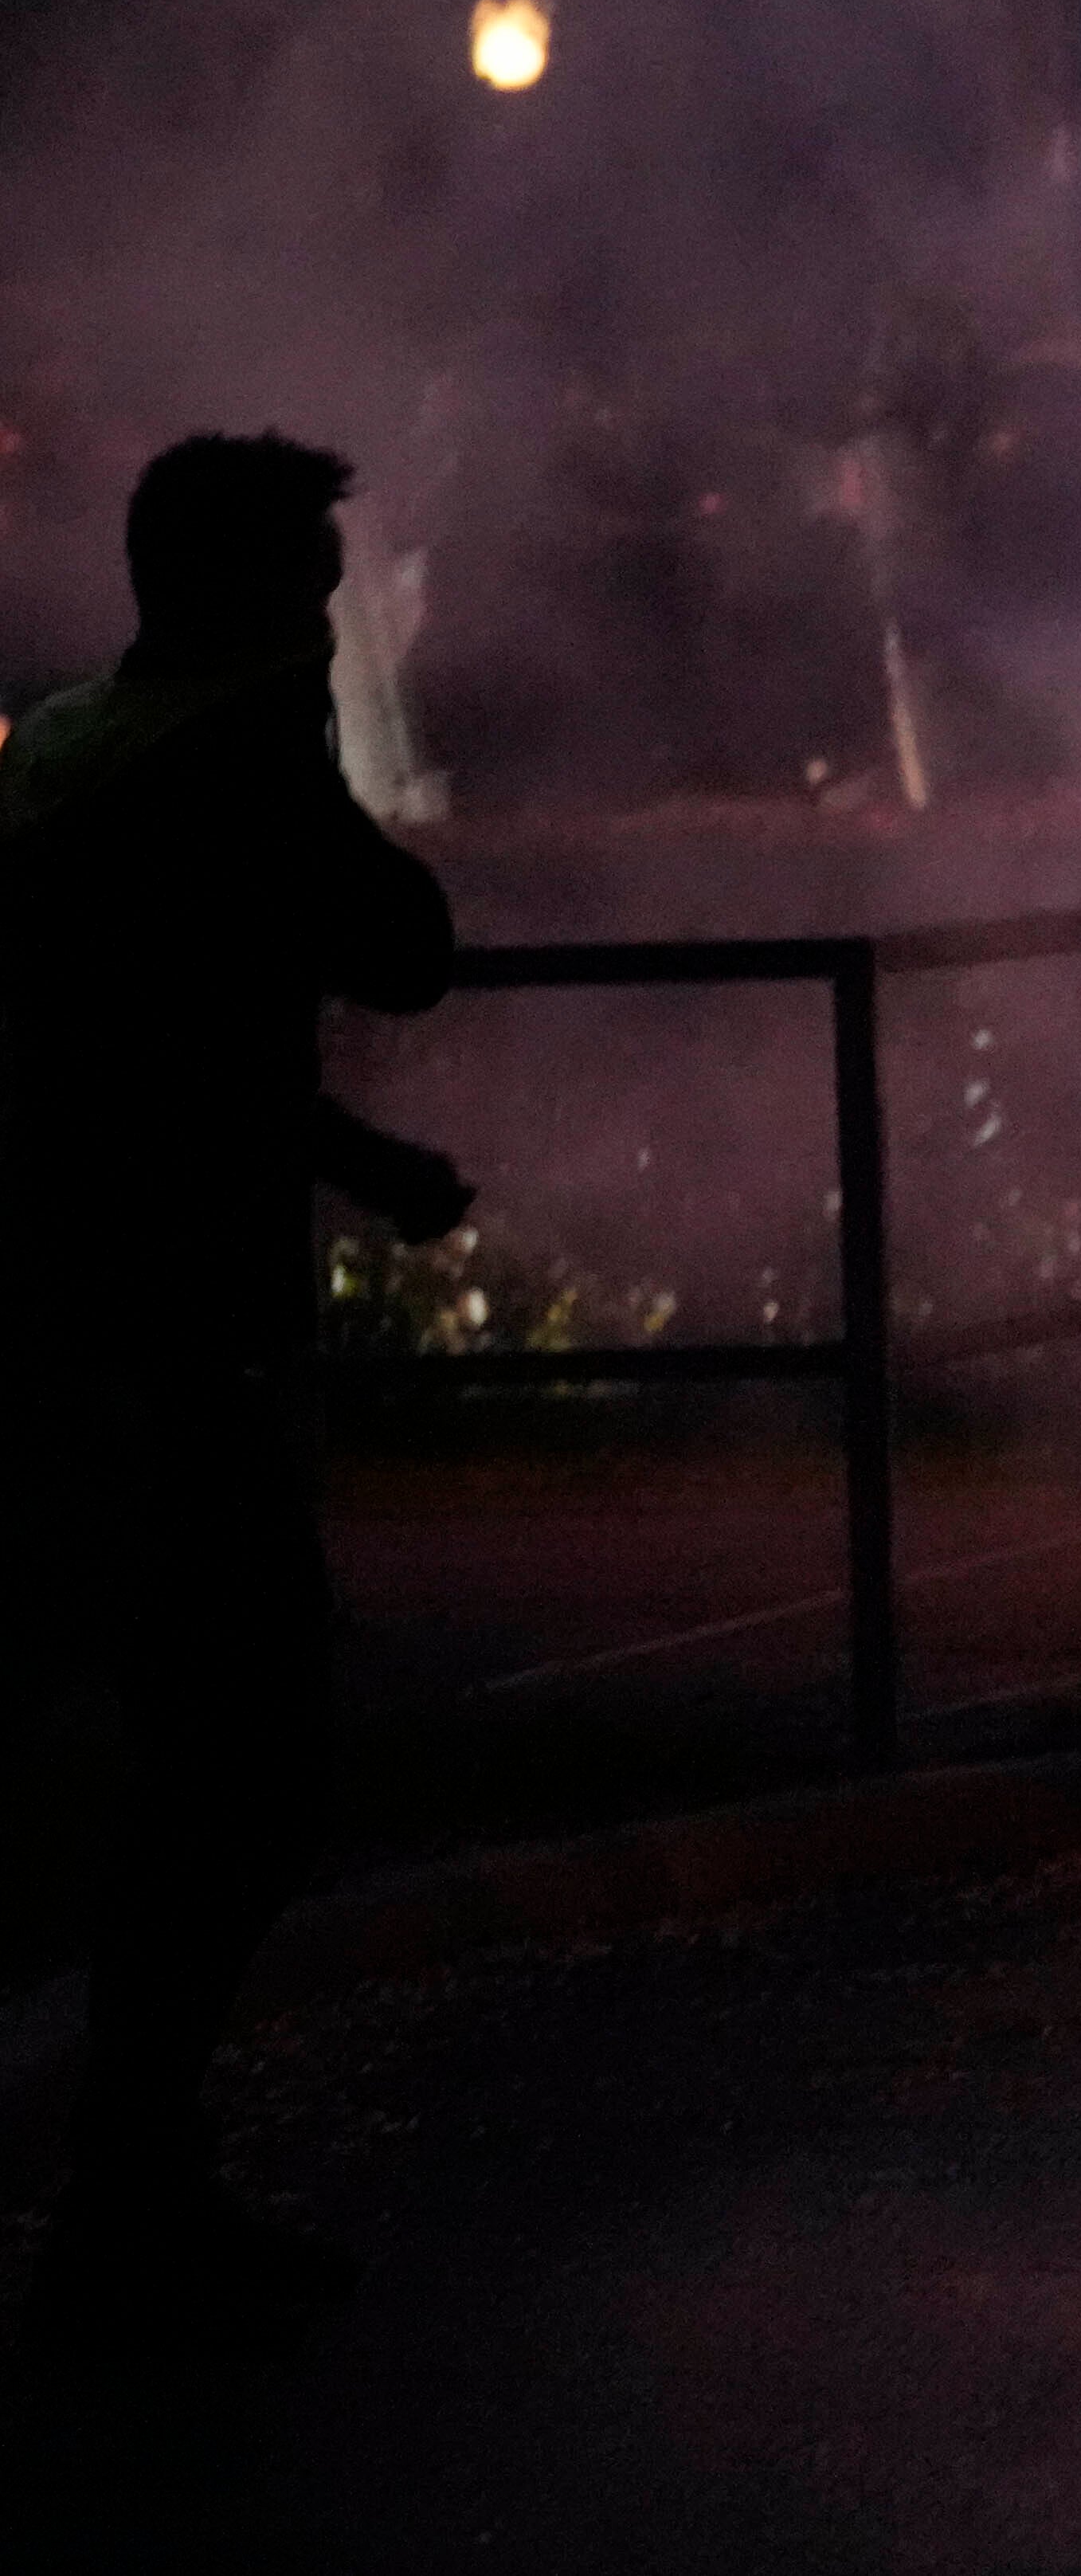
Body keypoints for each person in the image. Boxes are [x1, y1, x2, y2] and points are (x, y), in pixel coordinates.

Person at [0, 433, 461, 2351]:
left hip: (60, 1302)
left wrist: (350, 1158)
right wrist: (308, 742)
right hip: (182, 1327)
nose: (334, 607)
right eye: (310, 574)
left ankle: (134, 2164)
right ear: (256, 589)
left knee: (168, 1737)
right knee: (251, 1756)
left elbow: (136, 1031)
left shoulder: (65, 740)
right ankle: (125, 2172)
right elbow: (404, 946)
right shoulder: (239, 751)